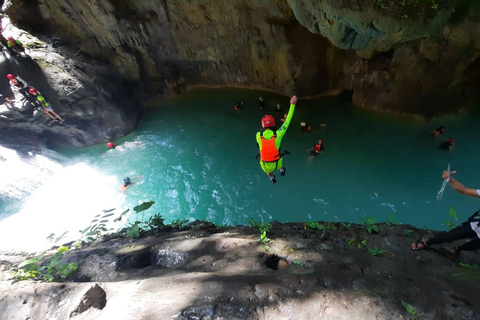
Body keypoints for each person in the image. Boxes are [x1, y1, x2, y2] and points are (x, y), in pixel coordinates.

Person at [411, 170, 480, 259]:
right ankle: (426, 243)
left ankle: (458, 249)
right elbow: (464, 190)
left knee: (472, 246)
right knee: (450, 235)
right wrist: (449, 179)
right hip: (475, 225)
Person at [256, 95, 297, 184]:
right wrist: (292, 105)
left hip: (266, 165)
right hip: (277, 163)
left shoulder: (258, 135)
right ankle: (282, 169)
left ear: (263, 125)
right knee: (279, 160)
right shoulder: (278, 134)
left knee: (268, 170)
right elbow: (287, 121)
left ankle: (272, 178)